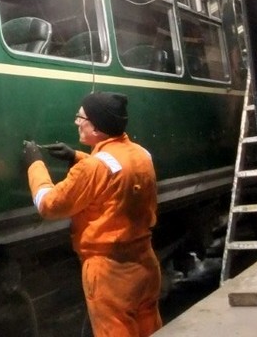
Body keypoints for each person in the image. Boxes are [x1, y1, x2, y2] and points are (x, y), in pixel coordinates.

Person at [22, 91, 162, 337]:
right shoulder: (142, 154)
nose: (77, 121)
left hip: (109, 273)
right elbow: (114, 171)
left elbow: (49, 204)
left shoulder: (93, 168)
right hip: (144, 263)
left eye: (81, 117)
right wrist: (75, 156)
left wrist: (35, 164)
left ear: (96, 127)